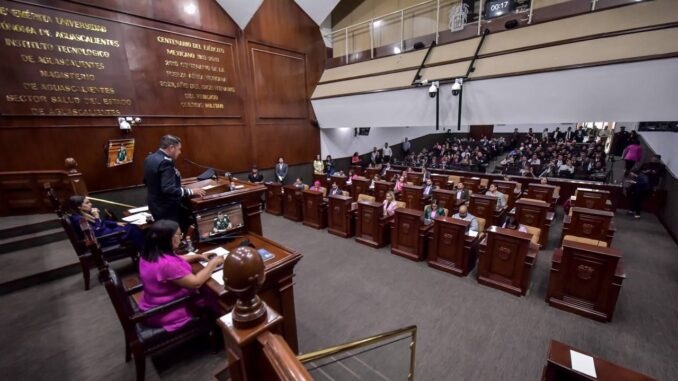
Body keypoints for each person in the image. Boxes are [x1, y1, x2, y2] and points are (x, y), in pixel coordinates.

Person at [138, 220, 224, 332]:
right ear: (169, 239)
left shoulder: (150, 253)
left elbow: (176, 259)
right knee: (214, 294)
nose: (181, 238)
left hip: (152, 300)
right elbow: (195, 283)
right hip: (167, 310)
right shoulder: (166, 265)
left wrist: (198, 256)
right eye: (179, 235)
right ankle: (220, 328)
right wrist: (212, 264)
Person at [143, 135, 206, 231]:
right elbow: (168, 189)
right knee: (174, 233)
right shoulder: (166, 162)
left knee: (164, 233)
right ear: (171, 148)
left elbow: (145, 181)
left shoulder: (150, 158)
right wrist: (191, 191)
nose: (180, 152)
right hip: (167, 208)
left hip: (155, 204)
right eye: (179, 149)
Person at [68, 195, 144, 251]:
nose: (90, 204)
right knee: (133, 228)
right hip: (104, 239)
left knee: (131, 226)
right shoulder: (79, 220)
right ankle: (145, 252)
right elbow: (96, 233)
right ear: (79, 207)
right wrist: (96, 217)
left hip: (106, 232)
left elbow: (101, 222)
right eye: (87, 203)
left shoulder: (84, 213)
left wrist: (115, 223)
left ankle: (143, 251)